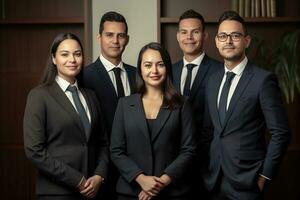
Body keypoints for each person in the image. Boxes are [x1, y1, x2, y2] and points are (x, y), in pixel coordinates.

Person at [203, 11, 291, 200]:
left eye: (235, 36)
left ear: (247, 41)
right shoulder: (212, 81)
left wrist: (264, 176)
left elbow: (281, 132)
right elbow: (210, 130)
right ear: (216, 41)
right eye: (223, 36)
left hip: (248, 181)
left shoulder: (263, 80)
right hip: (214, 180)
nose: (228, 41)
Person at [23, 33, 109, 200]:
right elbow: (34, 150)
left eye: (77, 54)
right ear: (54, 58)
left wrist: (99, 175)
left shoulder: (91, 95)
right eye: (65, 54)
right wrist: (77, 180)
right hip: (57, 192)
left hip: (93, 192)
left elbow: (103, 143)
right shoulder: (39, 96)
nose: (72, 59)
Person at [110, 42, 196, 200]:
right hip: (131, 192)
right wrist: (141, 179)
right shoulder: (124, 104)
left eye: (160, 65)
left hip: (172, 192)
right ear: (140, 69)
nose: (154, 71)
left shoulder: (182, 104)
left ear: (167, 68)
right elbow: (116, 151)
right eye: (148, 65)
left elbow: (188, 150)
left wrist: (161, 182)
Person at [83, 11, 136, 199]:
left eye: (120, 35)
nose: (115, 41)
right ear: (99, 37)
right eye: (109, 35)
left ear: (127, 39)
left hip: (135, 168)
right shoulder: (84, 77)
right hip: (99, 170)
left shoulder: (137, 75)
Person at [172, 9, 222, 198]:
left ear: (205, 35)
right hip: (175, 163)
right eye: (184, 32)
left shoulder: (220, 70)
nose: (189, 37)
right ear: (178, 36)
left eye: (195, 31)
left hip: (209, 162)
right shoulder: (168, 71)